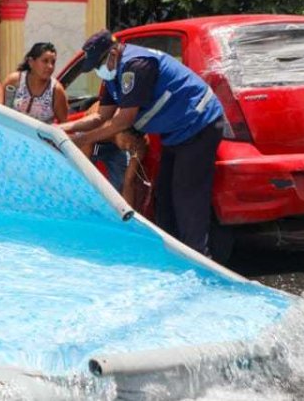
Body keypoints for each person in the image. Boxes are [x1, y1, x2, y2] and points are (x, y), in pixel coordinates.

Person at [58, 30, 224, 256]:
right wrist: (60, 130)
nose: (99, 70)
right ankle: (171, 255)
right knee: (164, 197)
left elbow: (121, 121)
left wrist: (81, 140)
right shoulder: (112, 76)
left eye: (99, 64)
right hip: (176, 133)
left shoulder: (136, 65)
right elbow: (100, 117)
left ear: (114, 52)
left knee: (187, 198)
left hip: (199, 124)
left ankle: (198, 259)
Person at [3, 42, 68, 124]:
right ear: (31, 62)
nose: (50, 66)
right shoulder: (14, 81)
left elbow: (64, 123)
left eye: (53, 62)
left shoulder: (56, 90)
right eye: (45, 61)